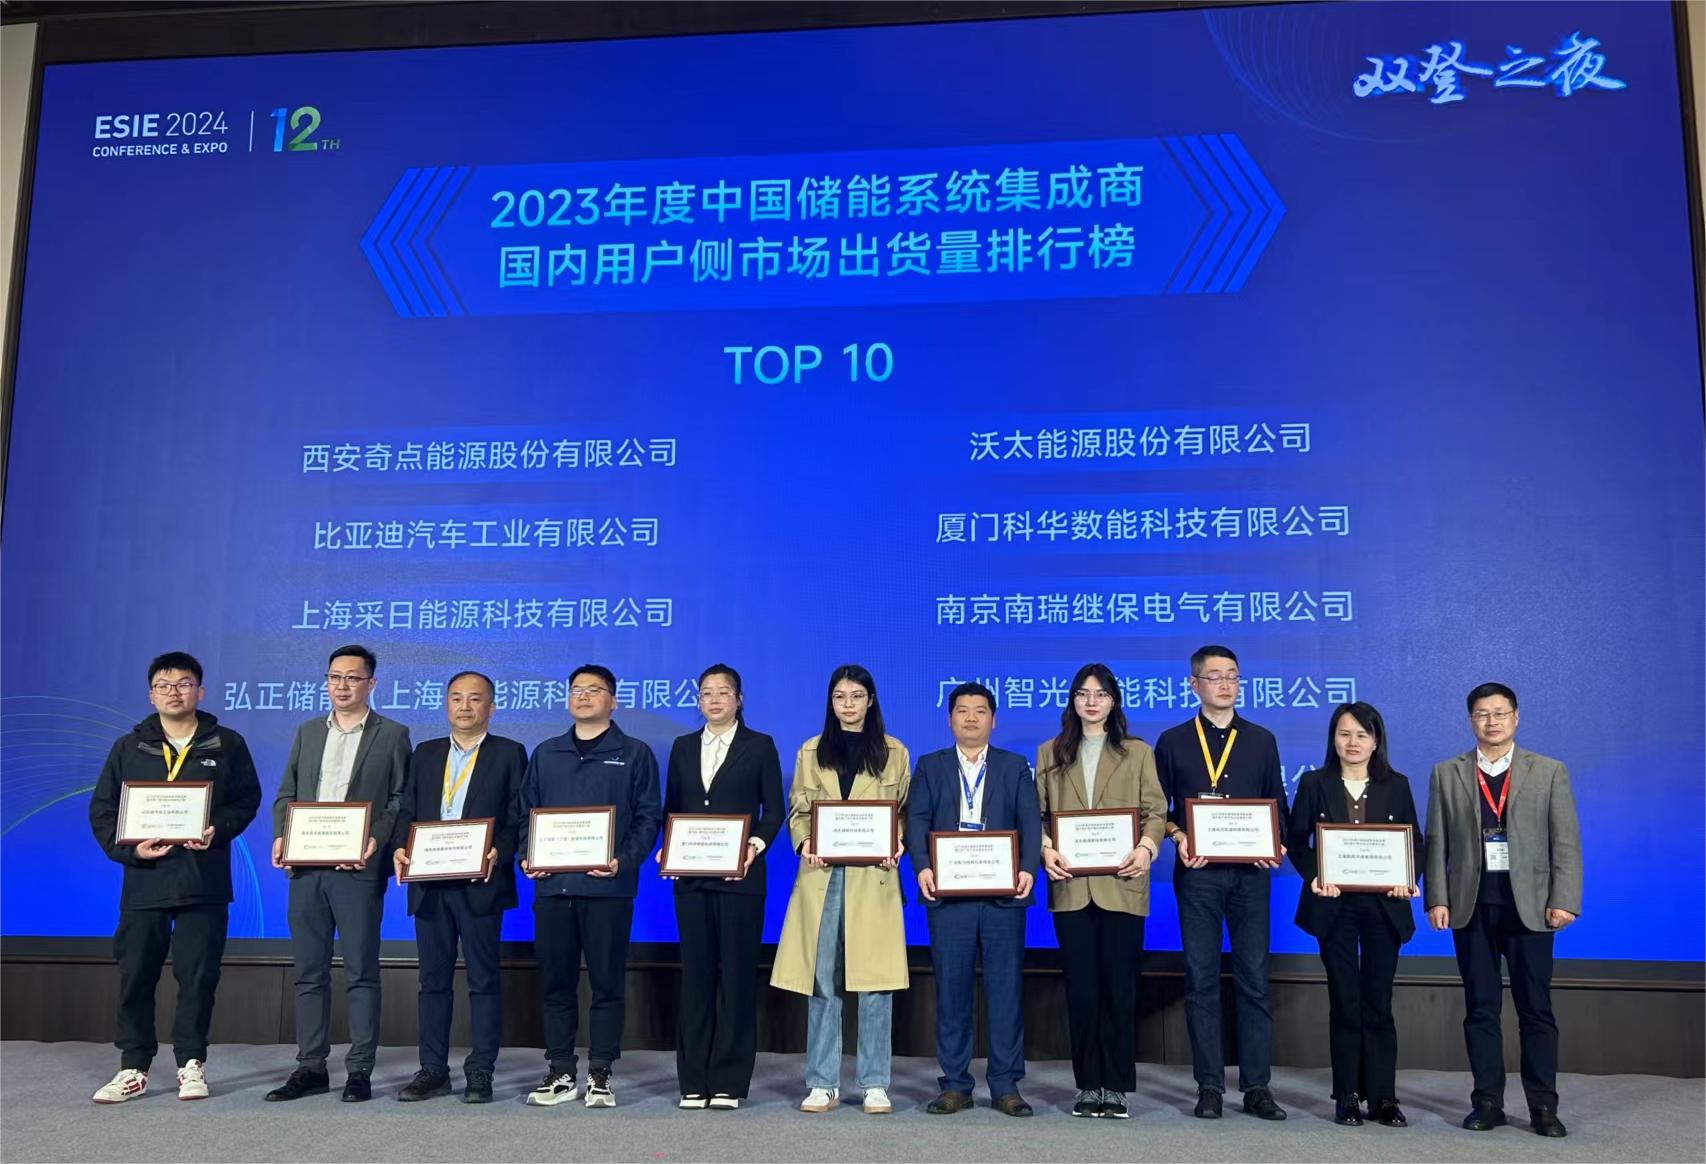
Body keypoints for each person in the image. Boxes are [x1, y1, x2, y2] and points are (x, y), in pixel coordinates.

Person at [87, 652, 262, 1103]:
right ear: (151, 695)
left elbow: (247, 800)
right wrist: (129, 850)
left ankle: (191, 1063)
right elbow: (103, 809)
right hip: (145, 879)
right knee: (136, 975)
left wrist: (217, 828)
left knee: (198, 976)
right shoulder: (129, 747)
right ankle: (133, 1067)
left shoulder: (227, 743)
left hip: (203, 880)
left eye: (184, 684)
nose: (174, 692)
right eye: (164, 685)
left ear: (200, 691)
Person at [1426, 682, 1581, 1138]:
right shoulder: (1447, 773)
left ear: (1516, 717)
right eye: (1481, 713)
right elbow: (1436, 841)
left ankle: (1543, 1107)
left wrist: (1565, 899)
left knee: (1537, 1010)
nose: (1491, 721)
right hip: (1470, 907)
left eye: (1499, 712)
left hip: (1531, 909)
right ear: (1470, 720)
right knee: (1480, 1009)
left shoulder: (1548, 771)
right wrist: (1437, 897)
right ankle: (1487, 1102)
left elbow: (1565, 841)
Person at [265, 645, 411, 1103]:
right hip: (307, 868)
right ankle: (310, 1066)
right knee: (308, 972)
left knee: (361, 971)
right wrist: (281, 835)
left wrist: (376, 840)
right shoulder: (308, 731)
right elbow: (286, 793)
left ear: (372, 683)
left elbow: (399, 800)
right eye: (334, 677)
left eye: (352, 677)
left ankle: (360, 1068)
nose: (342, 686)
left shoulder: (393, 734)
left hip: (357, 868)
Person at [1154, 644, 1289, 1120]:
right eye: (1214, 676)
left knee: (1254, 981)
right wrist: (1178, 836)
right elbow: (1160, 811)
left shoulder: (1262, 740)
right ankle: (1209, 1086)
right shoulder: (1172, 741)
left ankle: (1257, 1087)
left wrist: (1276, 842)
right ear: (1194, 685)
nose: (1226, 684)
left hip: (1251, 877)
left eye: (1232, 675)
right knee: (1201, 980)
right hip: (1198, 876)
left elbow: (1278, 805)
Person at [517, 664, 662, 1109]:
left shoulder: (634, 753)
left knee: (607, 984)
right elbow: (525, 813)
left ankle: (601, 1072)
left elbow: (648, 817)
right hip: (553, 888)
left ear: (613, 701)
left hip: (608, 889)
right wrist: (527, 854)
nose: (583, 696)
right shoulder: (547, 752)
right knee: (556, 984)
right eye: (576, 689)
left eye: (594, 690)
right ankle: (561, 1071)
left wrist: (623, 861)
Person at [771, 664, 910, 1116]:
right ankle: (822, 1081)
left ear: (871, 700)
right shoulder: (811, 750)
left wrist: (898, 841)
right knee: (822, 980)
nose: (848, 704)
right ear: (830, 703)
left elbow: (904, 811)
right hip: (823, 876)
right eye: (840, 697)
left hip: (874, 878)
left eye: (856, 696)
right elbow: (798, 811)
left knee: (876, 983)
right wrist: (805, 843)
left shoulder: (894, 751)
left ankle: (875, 1083)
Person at [1035, 663, 1166, 1119]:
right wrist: (1045, 848)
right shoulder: (1050, 752)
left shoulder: (1137, 752)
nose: (1091, 702)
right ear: (1072, 700)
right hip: (1071, 886)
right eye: (1083, 694)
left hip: (1123, 883)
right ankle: (1088, 1084)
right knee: (1082, 990)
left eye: (1101, 694)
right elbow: (1036, 814)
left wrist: (1147, 848)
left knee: (1119, 990)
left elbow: (1155, 811)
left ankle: (1117, 1085)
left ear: (1114, 701)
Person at [390, 670, 527, 1104]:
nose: (464, 706)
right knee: (432, 981)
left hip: (480, 883)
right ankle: (432, 1070)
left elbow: (517, 817)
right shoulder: (426, 752)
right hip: (430, 883)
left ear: (491, 706)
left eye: (474, 698)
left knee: (483, 980)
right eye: (456, 698)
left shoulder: (509, 753)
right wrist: (399, 846)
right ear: (446, 704)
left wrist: (498, 851)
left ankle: (480, 1071)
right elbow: (407, 810)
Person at [906, 681, 1041, 1117]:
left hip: (1003, 895)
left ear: (993, 720)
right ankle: (955, 1085)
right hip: (949, 896)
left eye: (980, 710)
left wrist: (1028, 868)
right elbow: (917, 820)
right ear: (949, 719)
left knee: (1005, 991)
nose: (970, 718)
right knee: (951, 992)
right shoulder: (930, 765)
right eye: (962, 710)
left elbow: (1030, 821)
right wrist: (923, 867)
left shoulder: (1014, 766)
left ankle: (1005, 1085)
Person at [1286, 702, 1424, 1128]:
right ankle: (1346, 1094)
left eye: (1362, 735)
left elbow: (1414, 842)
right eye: (1344, 734)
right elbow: (1296, 841)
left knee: (1378, 1002)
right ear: (1333, 738)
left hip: (1384, 906)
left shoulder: (1396, 785)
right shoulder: (1314, 783)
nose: (1353, 742)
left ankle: (1384, 1097)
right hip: (1334, 906)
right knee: (1345, 1001)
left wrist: (1407, 877)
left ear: (1376, 741)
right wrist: (1315, 876)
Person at [662, 664, 785, 1111]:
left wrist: (753, 846)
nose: (714, 700)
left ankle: (729, 1081)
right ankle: (693, 1080)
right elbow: (672, 809)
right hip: (691, 879)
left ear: (739, 699)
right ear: (698, 701)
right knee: (695, 977)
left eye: (723, 692)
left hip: (741, 879)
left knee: (736, 977)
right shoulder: (682, 746)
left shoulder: (760, 745)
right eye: (706, 693)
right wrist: (668, 847)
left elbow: (775, 810)